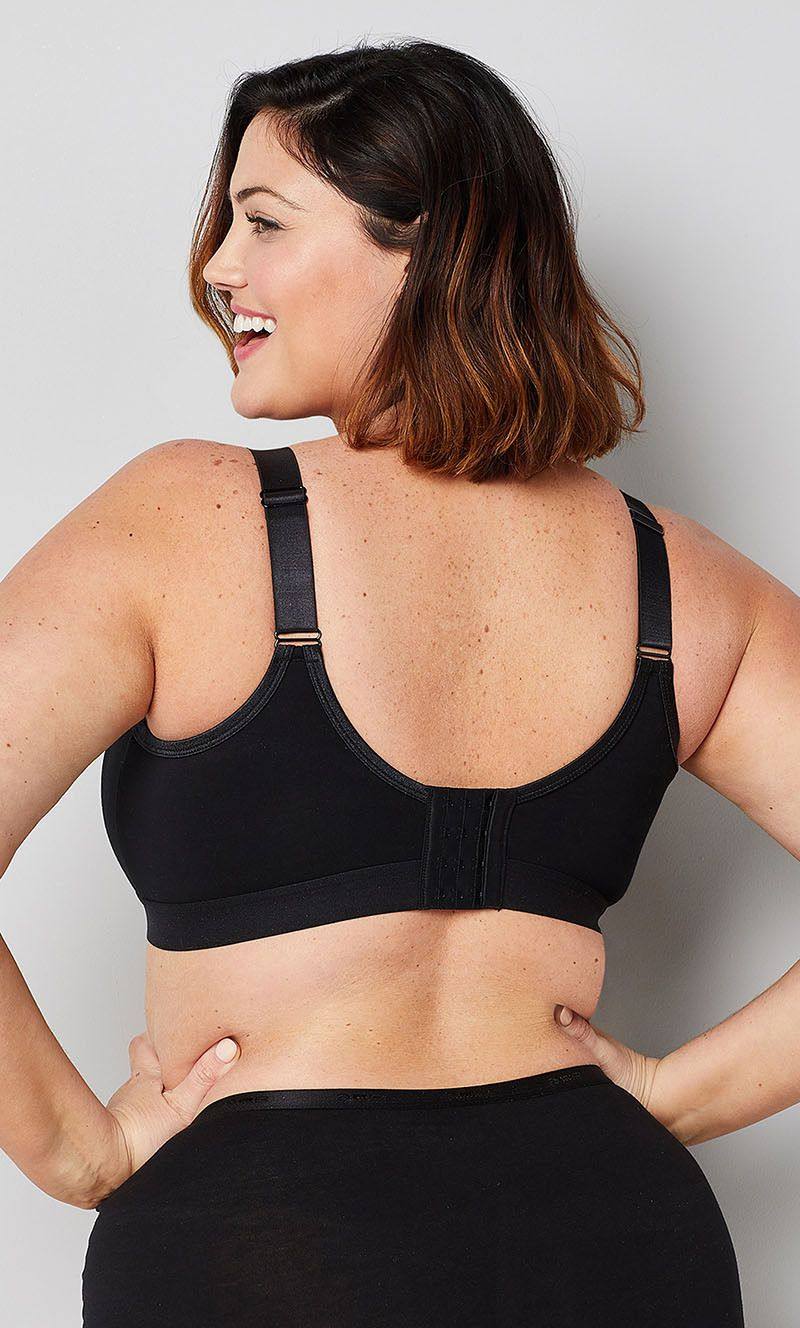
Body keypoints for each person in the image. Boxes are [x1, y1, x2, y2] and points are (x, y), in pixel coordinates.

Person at [0, 37, 795, 1327]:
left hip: (262, 1255)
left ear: (431, 249)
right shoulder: (685, 585)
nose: (217, 268)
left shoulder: (184, 520)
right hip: (617, 1240)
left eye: (263, 221)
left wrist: (78, 1154)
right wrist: (669, 1099)